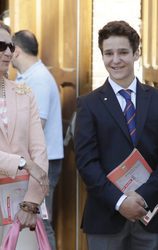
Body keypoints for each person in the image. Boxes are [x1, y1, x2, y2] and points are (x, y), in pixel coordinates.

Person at [74, 20, 158, 250]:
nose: (115, 60)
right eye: (108, 53)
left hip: (151, 214)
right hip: (105, 217)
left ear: (136, 54)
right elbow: (86, 162)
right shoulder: (88, 104)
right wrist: (120, 202)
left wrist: (142, 198)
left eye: (123, 52)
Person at [12, 30, 64, 250]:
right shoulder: (26, 77)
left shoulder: (39, 79)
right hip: (31, 162)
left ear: (17, 52)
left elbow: (37, 126)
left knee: (40, 221)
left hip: (44, 163)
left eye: (7, 47)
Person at [0, 24, 49, 249]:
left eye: (10, 46)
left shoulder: (25, 92)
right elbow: (31, 161)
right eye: (2, 46)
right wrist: (22, 162)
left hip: (22, 204)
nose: (9, 52)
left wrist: (31, 203)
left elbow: (39, 150)